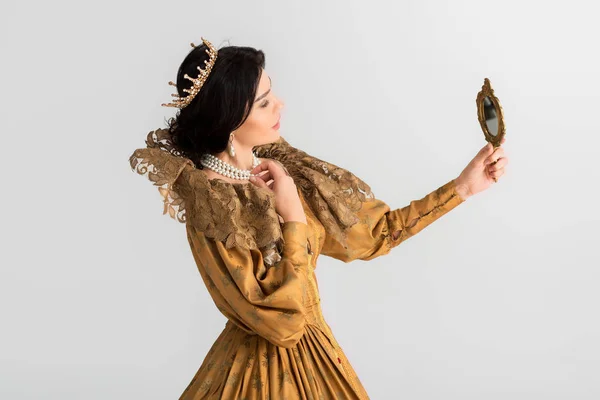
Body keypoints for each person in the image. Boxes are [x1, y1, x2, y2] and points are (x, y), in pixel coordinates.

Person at [128, 37, 508, 400]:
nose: (280, 105)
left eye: (272, 92)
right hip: (255, 374)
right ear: (229, 121)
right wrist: (292, 217)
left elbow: (375, 234)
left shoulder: (277, 166)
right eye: (264, 103)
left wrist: (463, 187)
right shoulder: (209, 203)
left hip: (319, 359)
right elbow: (284, 324)